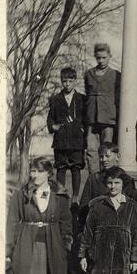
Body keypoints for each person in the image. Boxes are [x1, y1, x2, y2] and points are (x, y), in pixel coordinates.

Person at [6, 157, 72, 274]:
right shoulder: (22, 194)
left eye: (39, 171)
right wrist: (9, 250)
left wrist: (66, 245)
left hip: (52, 246)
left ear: (49, 173)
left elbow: (66, 222)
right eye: (32, 171)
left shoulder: (59, 195)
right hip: (27, 246)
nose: (34, 175)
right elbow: (12, 222)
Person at [46, 67, 86, 204]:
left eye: (70, 81)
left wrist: (82, 129)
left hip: (77, 140)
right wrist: (53, 126)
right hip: (61, 140)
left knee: (76, 168)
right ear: (61, 81)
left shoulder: (81, 99)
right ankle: (60, 196)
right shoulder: (55, 99)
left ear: (75, 81)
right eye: (64, 81)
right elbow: (50, 118)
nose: (67, 84)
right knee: (61, 168)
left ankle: (75, 198)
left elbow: (86, 118)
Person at [84, 43, 121, 174]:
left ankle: (108, 176)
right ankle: (94, 178)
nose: (101, 61)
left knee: (107, 150)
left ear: (109, 57)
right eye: (98, 58)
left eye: (104, 57)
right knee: (91, 150)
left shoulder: (116, 75)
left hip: (108, 118)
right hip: (92, 118)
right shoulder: (88, 74)